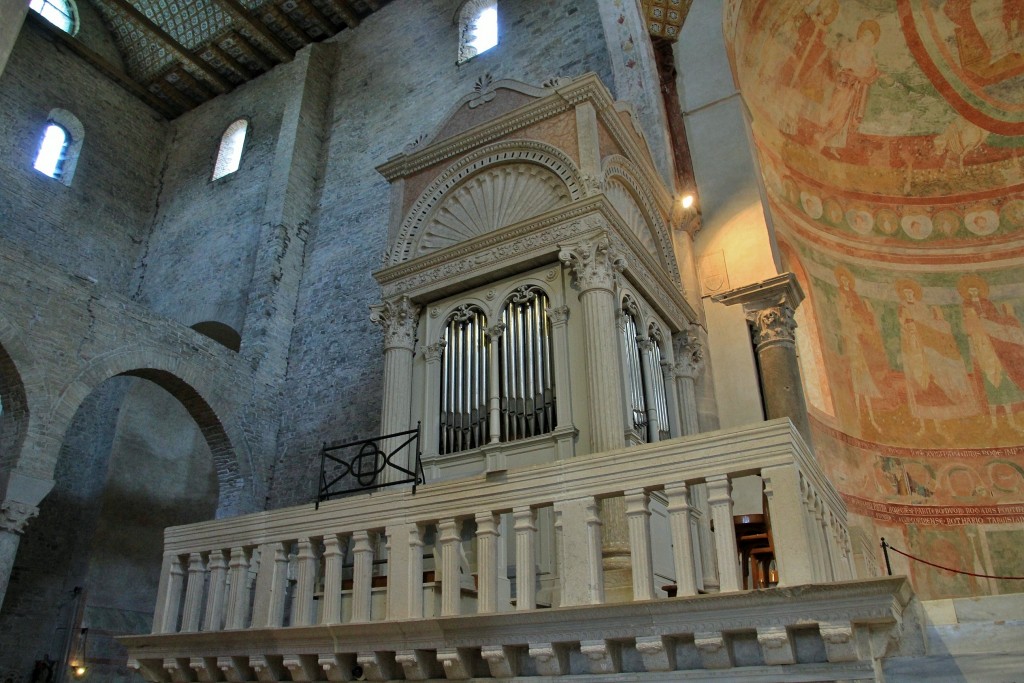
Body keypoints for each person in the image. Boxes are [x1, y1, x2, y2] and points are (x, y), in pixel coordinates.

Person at [896, 278, 977, 436]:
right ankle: (926, 425)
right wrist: (913, 328)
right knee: (923, 386)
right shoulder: (903, 308)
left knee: (940, 381)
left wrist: (940, 322)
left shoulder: (922, 307)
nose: (909, 295)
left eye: (910, 292)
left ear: (915, 294)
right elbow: (905, 328)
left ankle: (953, 417)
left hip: (931, 350)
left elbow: (930, 325)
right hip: (916, 352)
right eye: (905, 293)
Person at [958, 274, 1024, 432]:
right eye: (971, 290)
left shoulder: (987, 303)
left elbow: (996, 320)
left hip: (995, 350)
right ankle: (993, 423)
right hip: (982, 353)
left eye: (975, 290)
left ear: (979, 291)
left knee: (1004, 385)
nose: (974, 292)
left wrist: (1007, 317)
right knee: (989, 388)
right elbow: (967, 329)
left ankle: (1011, 421)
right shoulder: (967, 308)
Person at [834, 266, 889, 431]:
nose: (845, 283)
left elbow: (865, 319)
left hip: (860, 348)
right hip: (854, 350)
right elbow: (843, 315)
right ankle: (859, 415)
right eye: (842, 281)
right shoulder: (842, 298)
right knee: (858, 380)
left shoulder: (856, 298)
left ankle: (867, 416)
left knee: (864, 378)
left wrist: (867, 313)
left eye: (846, 281)